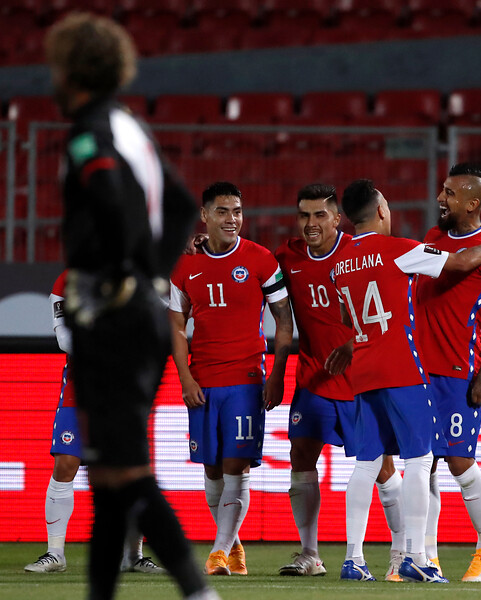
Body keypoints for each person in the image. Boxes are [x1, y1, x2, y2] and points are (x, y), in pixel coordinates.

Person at [46, 13, 218, 600]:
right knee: (110, 479)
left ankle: (199, 592)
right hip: (142, 311)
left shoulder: (90, 130)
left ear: (72, 68)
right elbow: (179, 204)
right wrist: (147, 276)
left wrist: (119, 276)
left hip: (113, 318)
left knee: (126, 474)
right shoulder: (129, 125)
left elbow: (107, 193)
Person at [327, 179, 481, 584]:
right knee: (421, 461)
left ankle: (354, 559)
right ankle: (416, 556)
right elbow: (461, 263)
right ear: (379, 211)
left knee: (368, 463)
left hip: (365, 370)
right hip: (404, 369)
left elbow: (346, 319)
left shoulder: (339, 262)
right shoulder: (402, 249)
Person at [273, 184, 406, 580]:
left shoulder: (359, 253)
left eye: (318, 216)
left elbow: (391, 307)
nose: (310, 224)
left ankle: (401, 553)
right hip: (313, 380)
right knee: (300, 457)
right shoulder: (288, 256)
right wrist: (202, 245)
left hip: (359, 382)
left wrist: (352, 342)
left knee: (382, 469)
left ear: (337, 218)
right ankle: (310, 554)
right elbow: (248, 267)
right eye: (304, 216)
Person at [169, 181, 293, 577]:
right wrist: (186, 378)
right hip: (203, 380)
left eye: (237, 211)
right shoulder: (184, 264)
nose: (232, 218)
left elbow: (285, 322)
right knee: (211, 469)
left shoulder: (260, 260)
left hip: (245, 378)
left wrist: (276, 374)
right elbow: (175, 326)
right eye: (222, 211)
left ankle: (218, 551)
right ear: (204, 216)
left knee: (236, 465)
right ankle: (234, 545)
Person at [25, 270, 165, 575]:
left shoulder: (138, 275)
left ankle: (133, 556)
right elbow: (64, 336)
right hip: (82, 387)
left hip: (126, 390)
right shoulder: (66, 280)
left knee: (130, 471)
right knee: (66, 463)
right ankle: (55, 553)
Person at [417, 164, 481, 582]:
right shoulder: (434, 238)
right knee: (423, 463)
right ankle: (429, 556)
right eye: (442, 191)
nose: (441, 199)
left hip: (459, 372)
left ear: (473, 203)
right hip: (420, 371)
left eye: (449, 193)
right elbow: (449, 268)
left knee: (460, 461)